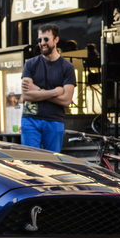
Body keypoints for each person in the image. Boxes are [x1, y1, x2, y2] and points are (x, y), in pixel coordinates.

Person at [20, 23, 76, 152]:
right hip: (30, 119)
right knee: (29, 162)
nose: (42, 43)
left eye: (46, 39)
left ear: (56, 39)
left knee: (52, 163)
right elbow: (26, 95)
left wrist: (37, 91)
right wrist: (55, 91)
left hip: (54, 120)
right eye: (39, 40)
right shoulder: (30, 64)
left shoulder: (67, 67)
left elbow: (66, 101)